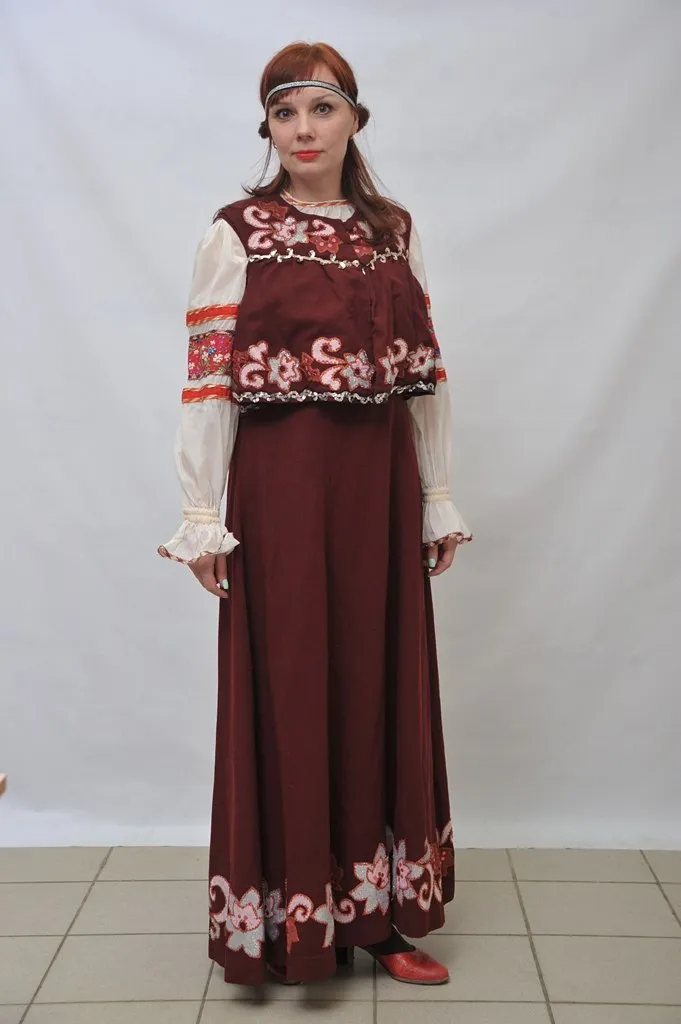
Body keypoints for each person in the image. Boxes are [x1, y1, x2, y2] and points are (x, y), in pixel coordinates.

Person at [159, 40, 472, 987]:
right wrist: (200, 512)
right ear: (268, 128)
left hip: (376, 484)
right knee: (290, 682)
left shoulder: (393, 232)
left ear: (354, 121)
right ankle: (282, 928)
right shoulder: (236, 234)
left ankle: (381, 919)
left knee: (375, 681)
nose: (303, 129)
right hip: (282, 487)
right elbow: (207, 382)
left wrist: (435, 495)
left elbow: (425, 377)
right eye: (285, 112)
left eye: (322, 109)